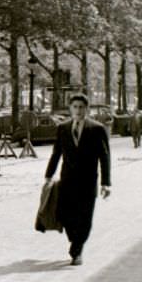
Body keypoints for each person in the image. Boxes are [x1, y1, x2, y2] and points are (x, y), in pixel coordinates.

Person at [45, 94, 111, 266]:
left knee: (85, 217)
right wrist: (48, 175)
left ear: (86, 109)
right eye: (75, 107)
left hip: (88, 181)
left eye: (82, 107)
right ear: (70, 109)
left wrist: (106, 183)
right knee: (65, 214)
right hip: (67, 180)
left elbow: (105, 157)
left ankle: (77, 250)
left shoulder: (97, 128)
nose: (78, 110)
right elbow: (56, 153)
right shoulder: (63, 128)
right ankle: (75, 240)